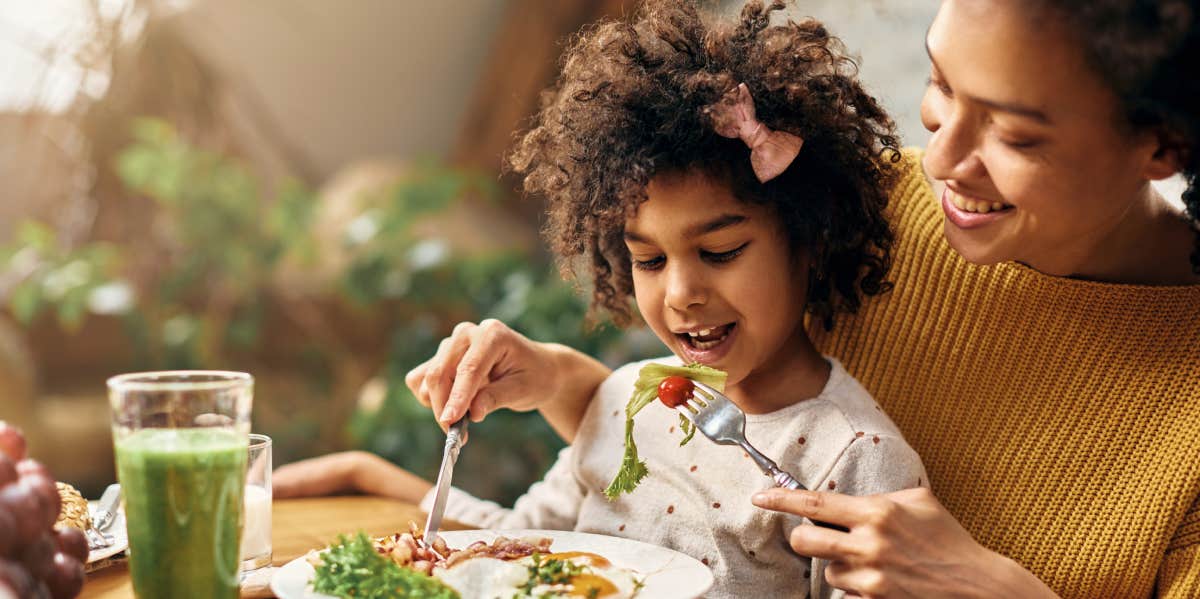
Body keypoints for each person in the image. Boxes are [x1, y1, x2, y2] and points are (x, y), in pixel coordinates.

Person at [401, 0, 1200, 597]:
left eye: (1016, 135)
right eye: (941, 84)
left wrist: (994, 589)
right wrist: (564, 381)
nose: (943, 158)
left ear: (1163, 144)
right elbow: (703, 459)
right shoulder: (849, 205)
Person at [276, 1, 929, 597]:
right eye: (648, 258)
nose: (680, 294)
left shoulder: (853, 459)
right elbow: (523, 546)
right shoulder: (629, 401)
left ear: (809, 238)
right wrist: (382, 489)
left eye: (721, 251)